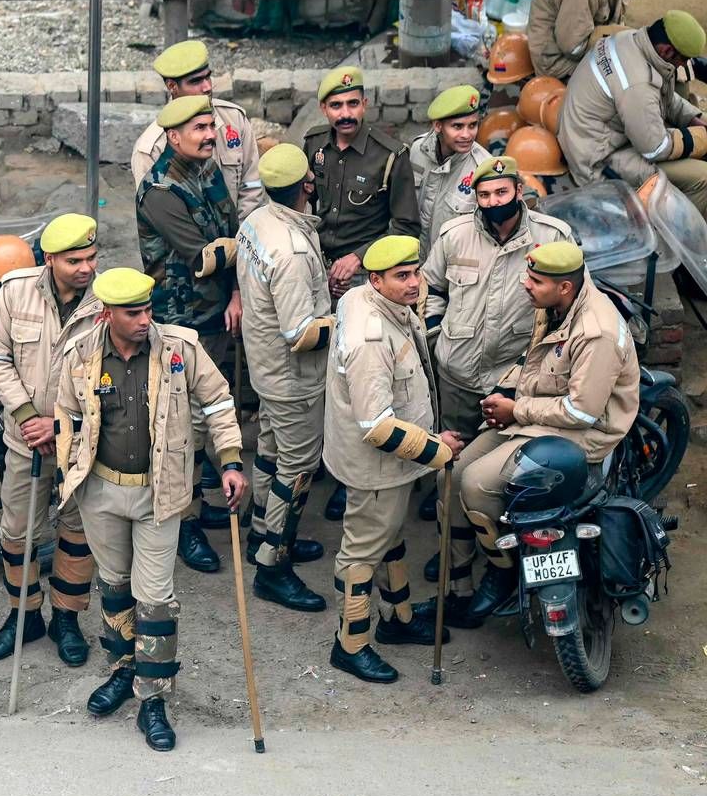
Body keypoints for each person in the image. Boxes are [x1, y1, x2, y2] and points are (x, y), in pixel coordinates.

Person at [54, 267, 246, 751]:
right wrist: (68, 468)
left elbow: (220, 402)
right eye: (133, 312)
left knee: (155, 600)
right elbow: (66, 415)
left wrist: (230, 460)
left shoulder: (179, 347)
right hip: (101, 492)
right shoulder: (80, 353)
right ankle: (123, 669)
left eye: (147, 309)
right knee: (115, 588)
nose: (145, 320)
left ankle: (153, 699)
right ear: (107, 314)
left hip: (159, 494)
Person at [418, 157, 573, 614]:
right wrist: (435, 334)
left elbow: (569, 307)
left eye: (500, 194)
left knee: (501, 478)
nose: (492, 204)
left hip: (521, 386)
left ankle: (503, 565)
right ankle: (456, 563)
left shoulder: (552, 237)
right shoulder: (454, 234)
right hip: (460, 377)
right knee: (451, 471)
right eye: (484, 196)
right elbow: (430, 289)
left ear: (518, 192)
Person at [456, 242, 639, 622]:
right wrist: (505, 394)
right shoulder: (556, 304)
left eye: (535, 280)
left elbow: (582, 411)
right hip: (539, 416)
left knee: (475, 484)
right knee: (457, 471)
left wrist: (515, 410)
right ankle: (466, 567)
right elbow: (536, 360)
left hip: (582, 432)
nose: (526, 285)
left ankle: (502, 571)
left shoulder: (595, 333)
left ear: (565, 287)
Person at [323, 236, 465, 684]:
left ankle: (398, 617)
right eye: (402, 277)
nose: (415, 284)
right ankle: (351, 643)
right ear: (375, 279)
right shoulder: (370, 337)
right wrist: (436, 449)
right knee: (361, 555)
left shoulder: (367, 300)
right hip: (377, 467)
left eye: (417, 273)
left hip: (392, 466)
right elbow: (377, 426)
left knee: (390, 536)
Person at [0, 213, 102, 666]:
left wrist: (62, 424)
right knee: (16, 533)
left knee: (75, 532)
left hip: (82, 443)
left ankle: (66, 619)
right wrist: (30, 416)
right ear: (49, 259)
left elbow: (111, 380)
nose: (86, 268)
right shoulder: (15, 291)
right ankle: (24, 615)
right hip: (24, 439)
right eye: (74, 260)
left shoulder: (107, 302)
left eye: (91, 257)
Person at [305, 66, 419, 521]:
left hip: (362, 283)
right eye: (337, 106)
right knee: (321, 375)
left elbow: (408, 228)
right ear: (325, 110)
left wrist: (357, 257)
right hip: (318, 275)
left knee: (360, 385)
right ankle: (322, 459)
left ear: (365, 106)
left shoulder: (391, 156)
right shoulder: (314, 145)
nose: (346, 114)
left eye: (353, 104)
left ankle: (348, 478)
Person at [136, 93, 239, 573]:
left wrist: (236, 290)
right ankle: (186, 521)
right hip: (181, 320)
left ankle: (198, 502)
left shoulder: (206, 169)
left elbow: (230, 231)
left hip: (216, 312)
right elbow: (202, 257)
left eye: (210, 126)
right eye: (199, 129)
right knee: (186, 424)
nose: (210, 135)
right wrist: (252, 244)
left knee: (210, 408)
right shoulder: (160, 190)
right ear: (174, 137)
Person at [235, 144, 330, 612]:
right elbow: (301, 333)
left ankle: (259, 533)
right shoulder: (291, 250)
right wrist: (346, 318)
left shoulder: (256, 221)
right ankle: (274, 565)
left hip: (265, 367)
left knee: (270, 452)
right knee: (296, 469)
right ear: (305, 185)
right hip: (294, 377)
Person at [556, 11, 707, 218]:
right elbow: (655, 148)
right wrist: (700, 140)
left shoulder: (630, 39)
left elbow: (664, 96)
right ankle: (680, 239)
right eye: (684, 59)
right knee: (702, 177)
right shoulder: (638, 84)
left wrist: (695, 119)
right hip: (597, 161)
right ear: (667, 50)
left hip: (593, 137)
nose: (684, 65)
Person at [129, 38, 263, 219]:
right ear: (172, 86)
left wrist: (239, 238)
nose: (207, 86)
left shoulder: (234, 119)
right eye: (196, 81)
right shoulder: (152, 148)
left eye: (208, 76)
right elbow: (159, 215)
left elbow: (252, 185)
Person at [407, 84, 490, 252]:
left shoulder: (484, 167)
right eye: (457, 126)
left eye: (473, 125)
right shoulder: (418, 149)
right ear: (438, 126)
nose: (467, 135)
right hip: (414, 260)